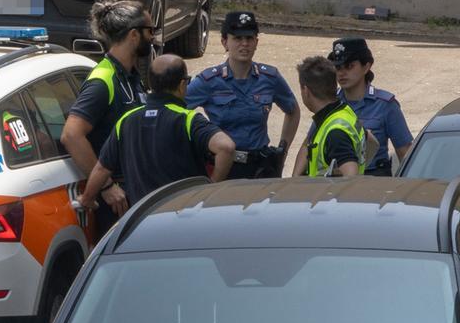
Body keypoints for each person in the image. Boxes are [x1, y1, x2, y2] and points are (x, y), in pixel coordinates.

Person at [78, 54, 235, 210]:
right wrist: (209, 191)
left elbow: (101, 168)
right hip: (184, 217)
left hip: (143, 220)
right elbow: (226, 147)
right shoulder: (188, 120)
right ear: (182, 85)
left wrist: (87, 199)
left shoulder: (126, 120)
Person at [61, 0, 151, 232]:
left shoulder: (131, 76)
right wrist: (106, 186)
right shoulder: (103, 80)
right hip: (115, 200)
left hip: (135, 189)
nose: (153, 37)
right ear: (134, 35)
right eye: (150, 31)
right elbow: (72, 135)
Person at [185, 11, 301, 178]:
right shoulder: (209, 81)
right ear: (225, 42)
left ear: (256, 42)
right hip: (224, 168)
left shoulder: (270, 77)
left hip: (260, 169)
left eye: (249, 38)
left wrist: (283, 150)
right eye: (238, 39)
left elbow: (292, 110)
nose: (244, 44)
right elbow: (176, 111)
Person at [329, 36, 413, 176]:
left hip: (374, 185)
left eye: (349, 66)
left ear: (366, 66)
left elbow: (405, 155)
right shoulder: (331, 103)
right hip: (335, 184)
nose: (342, 73)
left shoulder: (386, 105)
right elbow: (308, 145)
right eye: (337, 67)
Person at [292, 55, 376, 177]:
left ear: (306, 91)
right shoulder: (345, 112)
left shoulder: (335, 133)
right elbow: (373, 142)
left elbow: (351, 177)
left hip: (329, 196)